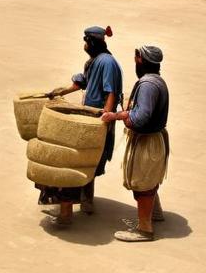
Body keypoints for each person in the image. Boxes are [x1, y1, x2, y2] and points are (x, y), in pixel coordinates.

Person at [38, 25, 123, 227]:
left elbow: (110, 92)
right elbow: (83, 83)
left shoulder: (107, 63)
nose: (84, 46)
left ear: (92, 42)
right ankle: (87, 202)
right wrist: (59, 93)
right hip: (90, 116)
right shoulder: (94, 61)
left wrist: (105, 119)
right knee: (87, 159)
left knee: (78, 160)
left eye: (86, 42)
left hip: (95, 119)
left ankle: (69, 211)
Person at [102, 45, 169, 242]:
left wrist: (117, 115)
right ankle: (154, 213)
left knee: (143, 183)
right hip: (154, 139)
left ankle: (145, 229)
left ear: (140, 60)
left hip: (147, 141)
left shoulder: (148, 84)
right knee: (149, 177)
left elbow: (140, 118)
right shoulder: (156, 81)